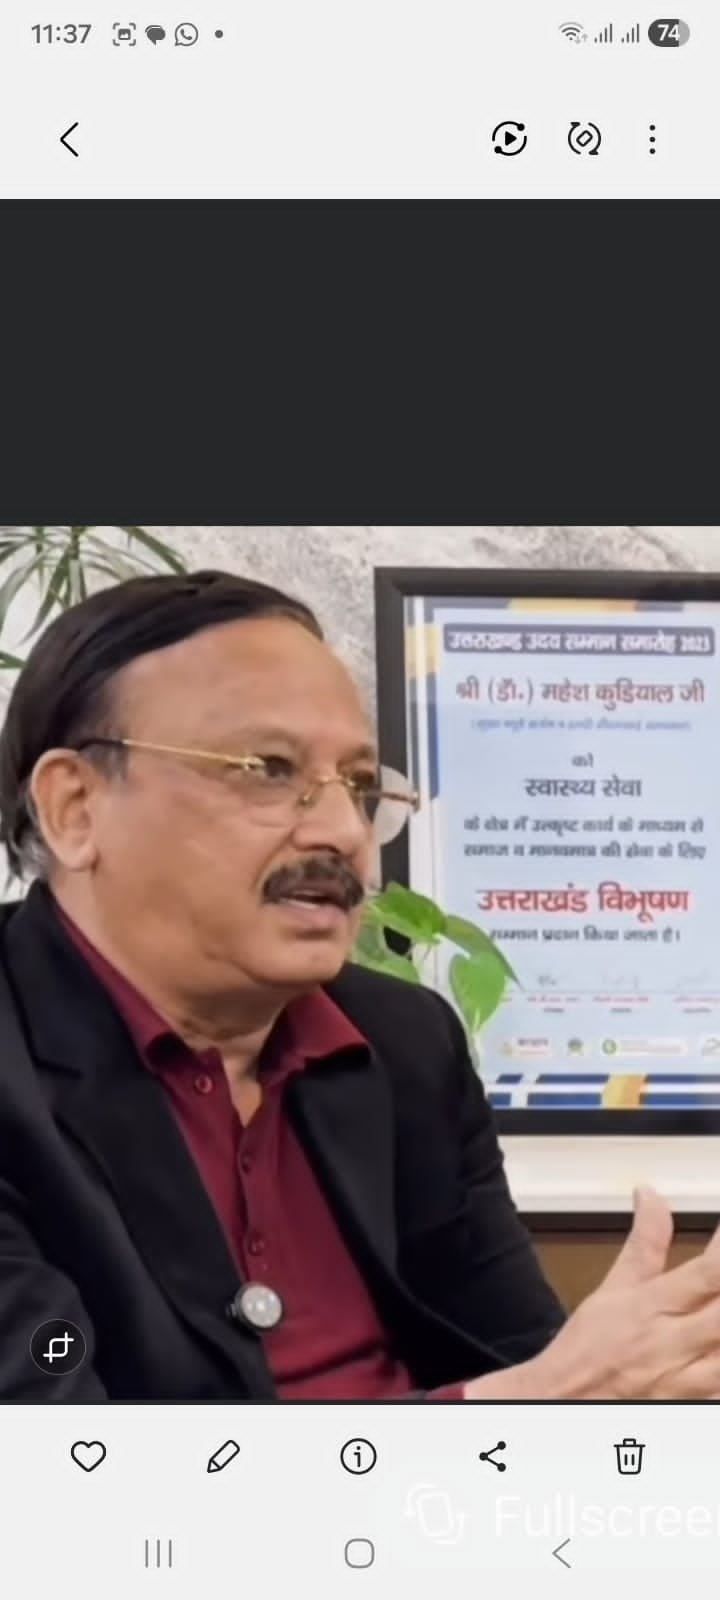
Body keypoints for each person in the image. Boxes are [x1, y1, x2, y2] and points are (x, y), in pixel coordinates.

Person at [1, 569, 719, 1403]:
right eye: (267, 769)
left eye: (361, 785)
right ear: (76, 807)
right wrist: (527, 1410)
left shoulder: (403, 1040)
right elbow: (62, 1458)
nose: (344, 831)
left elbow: (524, 1356)